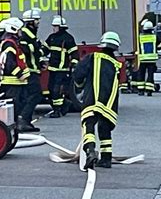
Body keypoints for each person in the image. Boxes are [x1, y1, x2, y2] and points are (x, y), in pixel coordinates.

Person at [73, 31, 122, 169]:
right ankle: (106, 159)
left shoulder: (92, 57)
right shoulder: (116, 65)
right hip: (109, 103)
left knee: (88, 124)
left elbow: (78, 74)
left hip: (92, 99)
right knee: (104, 128)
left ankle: (90, 151)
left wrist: (80, 86)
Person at [43, 15, 79, 118]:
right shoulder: (52, 37)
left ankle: (57, 111)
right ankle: (65, 104)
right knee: (50, 88)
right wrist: (40, 58)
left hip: (62, 69)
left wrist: (74, 64)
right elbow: (44, 49)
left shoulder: (68, 39)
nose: (53, 28)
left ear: (61, 27)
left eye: (55, 26)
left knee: (56, 90)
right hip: (52, 69)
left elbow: (74, 53)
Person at [0, 17, 30, 128]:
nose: (21, 32)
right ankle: (12, 126)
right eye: (19, 30)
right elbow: (9, 63)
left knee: (20, 104)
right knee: (14, 106)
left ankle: (14, 125)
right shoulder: (9, 44)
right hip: (12, 83)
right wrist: (19, 74)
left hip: (17, 83)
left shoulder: (13, 42)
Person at [18, 8, 44, 132]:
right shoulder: (25, 34)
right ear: (30, 22)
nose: (38, 24)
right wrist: (36, 47)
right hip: (29, 71)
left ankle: (25, 121)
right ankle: (23, 120)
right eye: (36, 21)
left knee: (31, 95)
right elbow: (26, 50)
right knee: (36, 94)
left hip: (33, 70)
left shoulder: (31, 35)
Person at [137, 20, 161, 96]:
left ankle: (141, 90)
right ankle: (149, 91)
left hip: (142, 59)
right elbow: (160, 45)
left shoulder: (139, 37)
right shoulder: (155, 37)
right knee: (150, 75)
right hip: (152, 59)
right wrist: (156, 48)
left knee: (141, 74)